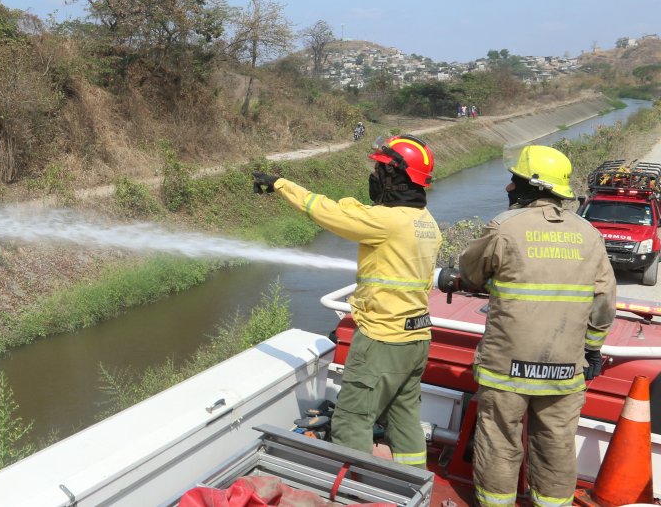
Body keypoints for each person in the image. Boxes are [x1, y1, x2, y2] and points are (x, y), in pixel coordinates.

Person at [252, 134, 442, 468]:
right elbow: (358, 212)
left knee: (352, 422)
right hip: (416, 340)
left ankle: (358, 496)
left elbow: (325, 212)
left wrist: (282, 184)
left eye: (381, 169)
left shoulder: (386, 222)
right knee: (404, 421)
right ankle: (416, 486)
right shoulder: (427, 223)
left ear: (397, 176)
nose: (375, 175)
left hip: (382, 341)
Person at [441, 145, 615, 507]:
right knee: (556, 445)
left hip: (507, 369)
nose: (508, 188)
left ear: (532, 186)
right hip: (565, 369)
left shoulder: (505, 228)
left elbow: (471, 272)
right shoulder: (589, 235)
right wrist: (592, 349)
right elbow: (604, 304)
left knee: (500, 441)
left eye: (514, 180)